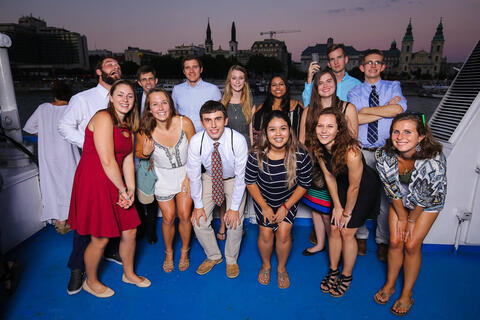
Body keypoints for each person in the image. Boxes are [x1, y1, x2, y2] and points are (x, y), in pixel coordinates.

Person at [68, 80, 150, 298]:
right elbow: (107, 160)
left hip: (116, 180)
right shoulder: (103, 118)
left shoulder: (128, 126)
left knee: (130, 230)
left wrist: (131, 189)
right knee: (100, 238)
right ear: (111, 97)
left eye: (130, 96)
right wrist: (123, 189)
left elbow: (127, 158)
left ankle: (129, 274)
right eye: (120, 95)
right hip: (95, 182)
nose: (125, 100)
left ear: (134, 100)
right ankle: (91, 281)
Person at [58, 57, 124, 295]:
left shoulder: (124, 99)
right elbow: (64, 126)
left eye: (117, 65)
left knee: (117, 211)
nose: (115, 68)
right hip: (95, 168)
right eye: (109, 65)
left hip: (116, 167)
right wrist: (91, 146)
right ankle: (77, 268)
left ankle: (109, 250)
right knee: (86, 222)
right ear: (98, 71)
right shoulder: (82, 98)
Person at [373, 113, 446, 316]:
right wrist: (403, 218)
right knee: (395, 241)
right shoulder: (383, 155)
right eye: (396, 131)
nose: (400, 136)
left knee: (412, 244)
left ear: (420, 136)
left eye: (408, 132)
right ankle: (390, 285)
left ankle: (407, 293)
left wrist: (411, 220)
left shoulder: (434, 159)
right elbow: (391, 189)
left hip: (428, 201)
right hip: (400, 197)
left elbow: (424, 195)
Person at [311, 108, 379, 297]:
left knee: (346, 231)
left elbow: (355, 187)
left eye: (330, 126)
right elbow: (329, 177)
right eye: (320, 126)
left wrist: (346, 212)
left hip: (362, 188)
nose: (324, 130)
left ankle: (346, 276)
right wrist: (338, 207)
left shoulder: (351, 152)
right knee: (333, 228)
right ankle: (333, 271)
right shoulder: (319, 148)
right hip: (341, 184)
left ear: (339, 130)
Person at [348, 49, 407, 259]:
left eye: (377, 62)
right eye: (369, 63)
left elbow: (398, 111)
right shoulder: (355, 91)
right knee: (361, 195)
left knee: (386, 198)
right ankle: (361, 237)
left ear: (382, 67)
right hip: (362, 151)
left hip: (387, 151)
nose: (373, 66)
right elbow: (355, 118)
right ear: (362, 67)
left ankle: (382, 240)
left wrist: (366, 111)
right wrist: (385, 108)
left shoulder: (393, 86)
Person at [245, 110, 312, 289]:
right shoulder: (256, 154)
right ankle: (266, 265)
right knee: (266, 234)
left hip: (287, 200)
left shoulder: (300, 155)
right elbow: (250, 182)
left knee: (283, 234)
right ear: (266, 133)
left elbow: (304, 183)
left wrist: (286, 206)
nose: (278, 134)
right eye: (272, 129)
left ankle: (281, 268)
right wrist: (265, 208)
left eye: (283, 128)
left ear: (290, 130)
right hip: (263, 200)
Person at [298, 69, 358, 255]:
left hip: (338, 168)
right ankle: (320, 244)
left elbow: (353, 141)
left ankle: (337, 247)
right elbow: (301, 141)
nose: (325, 85)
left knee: (331, 212)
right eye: (320, 82)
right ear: (315, 87)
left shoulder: (348, 108)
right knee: (316, 209)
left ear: (336, 83)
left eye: (329, 81)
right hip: (315, 167)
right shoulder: (308, 110)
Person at [136, 88, 196, 272]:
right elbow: (139, 153)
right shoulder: (145, 131)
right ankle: (169, 252)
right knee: (169, 218)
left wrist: (189, 177)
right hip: (162, 177)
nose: (161, 107)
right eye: (155, 104)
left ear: (170, 104)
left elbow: (195, 152)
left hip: (186, 174)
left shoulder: (184, 122)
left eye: (164, 102)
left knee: (185, 215)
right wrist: (145, 153)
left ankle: (185, 250)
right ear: (149, 109)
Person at [186, 100, 248, 279]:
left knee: (234, 221)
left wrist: (234, 208)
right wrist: (197, 205)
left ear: (226, 120)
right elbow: (195, 175)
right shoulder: (197, 141)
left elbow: (242, 177)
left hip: (234, 179)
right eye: (208, 120)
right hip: (209, 178)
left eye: (218, 119)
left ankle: (231, 259)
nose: (213, 125)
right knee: (198, 220)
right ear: (202, 122)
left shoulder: (237, 140)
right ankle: (214, 256)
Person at [23, 81, 79, 234]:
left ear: (54, 94)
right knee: (72, 185)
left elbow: (28, 127)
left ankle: (60, 222)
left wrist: (46, 134)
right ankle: (73, 218)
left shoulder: (43, 108)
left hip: (48, 154)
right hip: (68, 153)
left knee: (53, 187)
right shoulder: (70, 109)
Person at [216, 65, 254, 241]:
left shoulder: (249, 104)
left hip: (244, 153)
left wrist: (252, 154)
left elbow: (251, 133)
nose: (237, 81)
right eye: (234, 78)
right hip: (226, 153)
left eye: (241, 78)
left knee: (240, 191)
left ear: (244, 81)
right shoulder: (222, 105)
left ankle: (236, 223)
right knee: (224, 192)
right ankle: (223, 224)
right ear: (229, 81)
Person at [134, 65, 160, 244]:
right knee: (137, 192)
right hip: (137, 150)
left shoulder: (164, 99)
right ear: (139, 82)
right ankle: (140, 228)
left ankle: (151, 230)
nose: (148, 82)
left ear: (156, 81)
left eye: (151, 79)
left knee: (153, 193)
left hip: (157, 150)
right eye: (144, 79)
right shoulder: (133, 99)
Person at [172, 55, 221, 132]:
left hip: (206, 136)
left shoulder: (213, 90)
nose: (191, 71)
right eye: (187, 68)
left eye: (195, 67)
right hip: (183, 136)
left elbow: (219, 117)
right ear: (184, 71)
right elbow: (174, 113)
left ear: (201, 69)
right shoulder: (176, 90)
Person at [252, 75, 304, 145]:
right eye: (274, 85)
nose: (278, 87)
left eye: (281, 84)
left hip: (292, 150)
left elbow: (305, 131)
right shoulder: (262, 108)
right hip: (267, 151)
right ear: (270, 88)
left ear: (286, 86)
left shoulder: (297, 107)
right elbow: (255, 132)